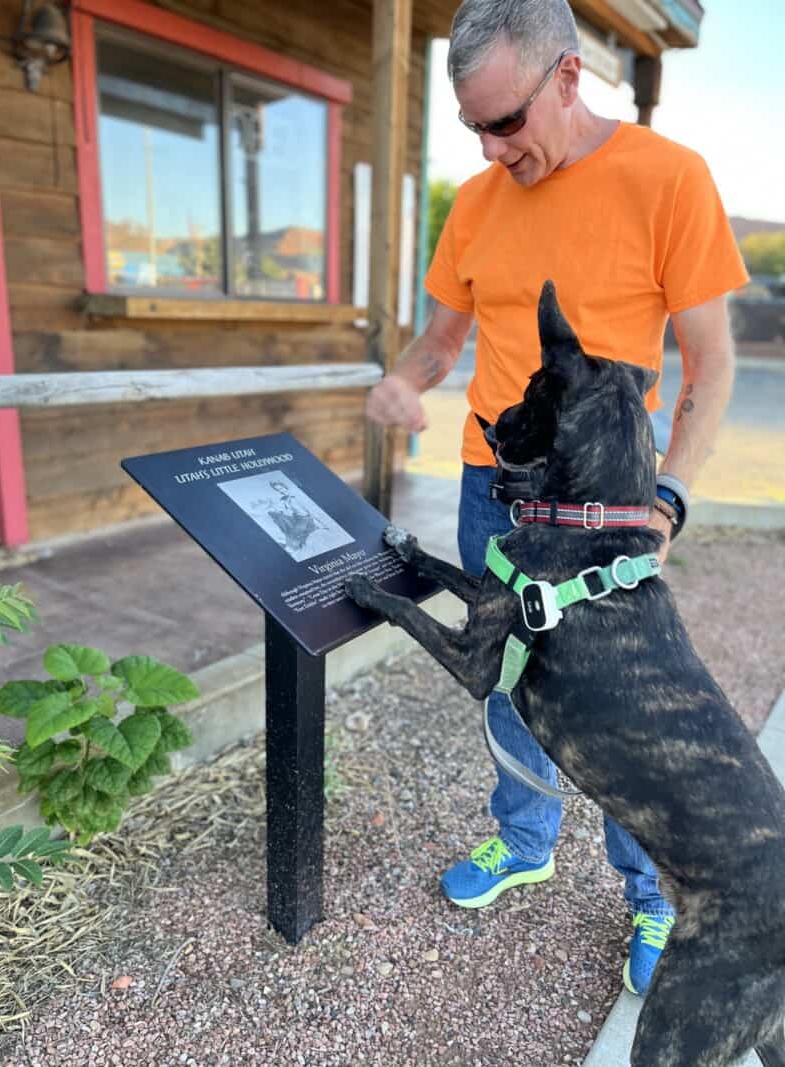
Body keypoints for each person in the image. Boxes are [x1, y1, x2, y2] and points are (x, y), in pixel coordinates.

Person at [365, 0, 749, 996]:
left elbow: (711, 363)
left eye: (506, 122)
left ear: (568, 77)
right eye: (473, 130)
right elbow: (438, 341)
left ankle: (652, 890)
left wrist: (667, 496)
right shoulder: (477, 202)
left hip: (600, 510)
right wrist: (407, 379)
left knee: (611, 711)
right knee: (504, 684)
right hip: (494, 489)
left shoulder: (668, 180)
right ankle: (523, 836)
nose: (491, 151)